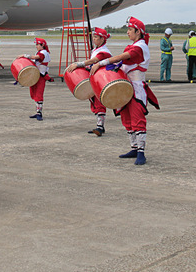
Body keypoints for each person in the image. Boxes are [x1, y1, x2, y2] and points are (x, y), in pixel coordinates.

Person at [67, 17, 158, 165]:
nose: (128, 32)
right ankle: (134, 148)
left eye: (130, 29)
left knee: (137, 118)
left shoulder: (140, 46)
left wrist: (102, 62)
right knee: (127, 119)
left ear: (138, 31)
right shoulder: (134, 44)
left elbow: (124, 57)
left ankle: (141, 152)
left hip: (135, 87)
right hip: (124, 86)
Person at [83, 27, 112, 136]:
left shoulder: (103, 51)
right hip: (96, 79)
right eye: (93, 36)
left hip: (101, 80)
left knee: (99, 103)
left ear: (102, 39)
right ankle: (100, 125)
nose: (93, 39)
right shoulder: (97, 49)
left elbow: (94, 60)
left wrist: (80, 64)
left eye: (96, 37)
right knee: (95, 102)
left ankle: (100, 127)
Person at [19, 37, 52, 121]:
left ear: (42, 45)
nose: (36, 46)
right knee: (34, 93)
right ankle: (37, 111)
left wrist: (25, 56)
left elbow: (36, 57)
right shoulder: (41, 52)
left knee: (38, 94)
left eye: (37, 44)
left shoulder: (43, 53)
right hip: (36, 76)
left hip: (40, 76)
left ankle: (39, 113)